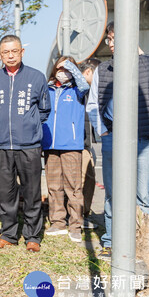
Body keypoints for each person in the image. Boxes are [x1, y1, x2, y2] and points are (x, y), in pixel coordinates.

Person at [86, 21, 149, 261]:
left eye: (114, 39)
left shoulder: (148, 65)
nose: (111, 44)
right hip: (112, 138)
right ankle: (111, 242)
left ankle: (141, 243)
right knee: (113, 194)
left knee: (142, 195)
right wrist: (103, 131)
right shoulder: (104, 70)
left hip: (143, 140)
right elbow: (93, 104)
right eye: (109, 40)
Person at [0, 35, 50, 253]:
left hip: (29, 146)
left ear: (22, 52)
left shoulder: (36, 77)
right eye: (5, 52)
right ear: (0, 55)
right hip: (2, 145)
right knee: (6, 193)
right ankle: (9, 234)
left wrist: (29, 127)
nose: (10, 56)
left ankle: (32, 235)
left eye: (14, 51)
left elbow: (44, 110)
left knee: (31, 192)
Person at [42, 56, 89, 243]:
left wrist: (70, 66)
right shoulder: (48, 89)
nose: (62, 71)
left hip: (71, 145)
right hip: (50, 144)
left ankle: (75, 225)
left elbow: (85, 85)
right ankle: (57, 222)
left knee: (74, 187)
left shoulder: (77, 89)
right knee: (54, 186)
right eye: (60, 67)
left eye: (67, 68)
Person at [79, 58, 101, 230]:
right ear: (87, 72)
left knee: (89, 180)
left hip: (87, 144)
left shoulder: (89, 92)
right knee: (82, 181)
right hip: (79, 143)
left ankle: (83, 214)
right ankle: (79, 216)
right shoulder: (80, 90)